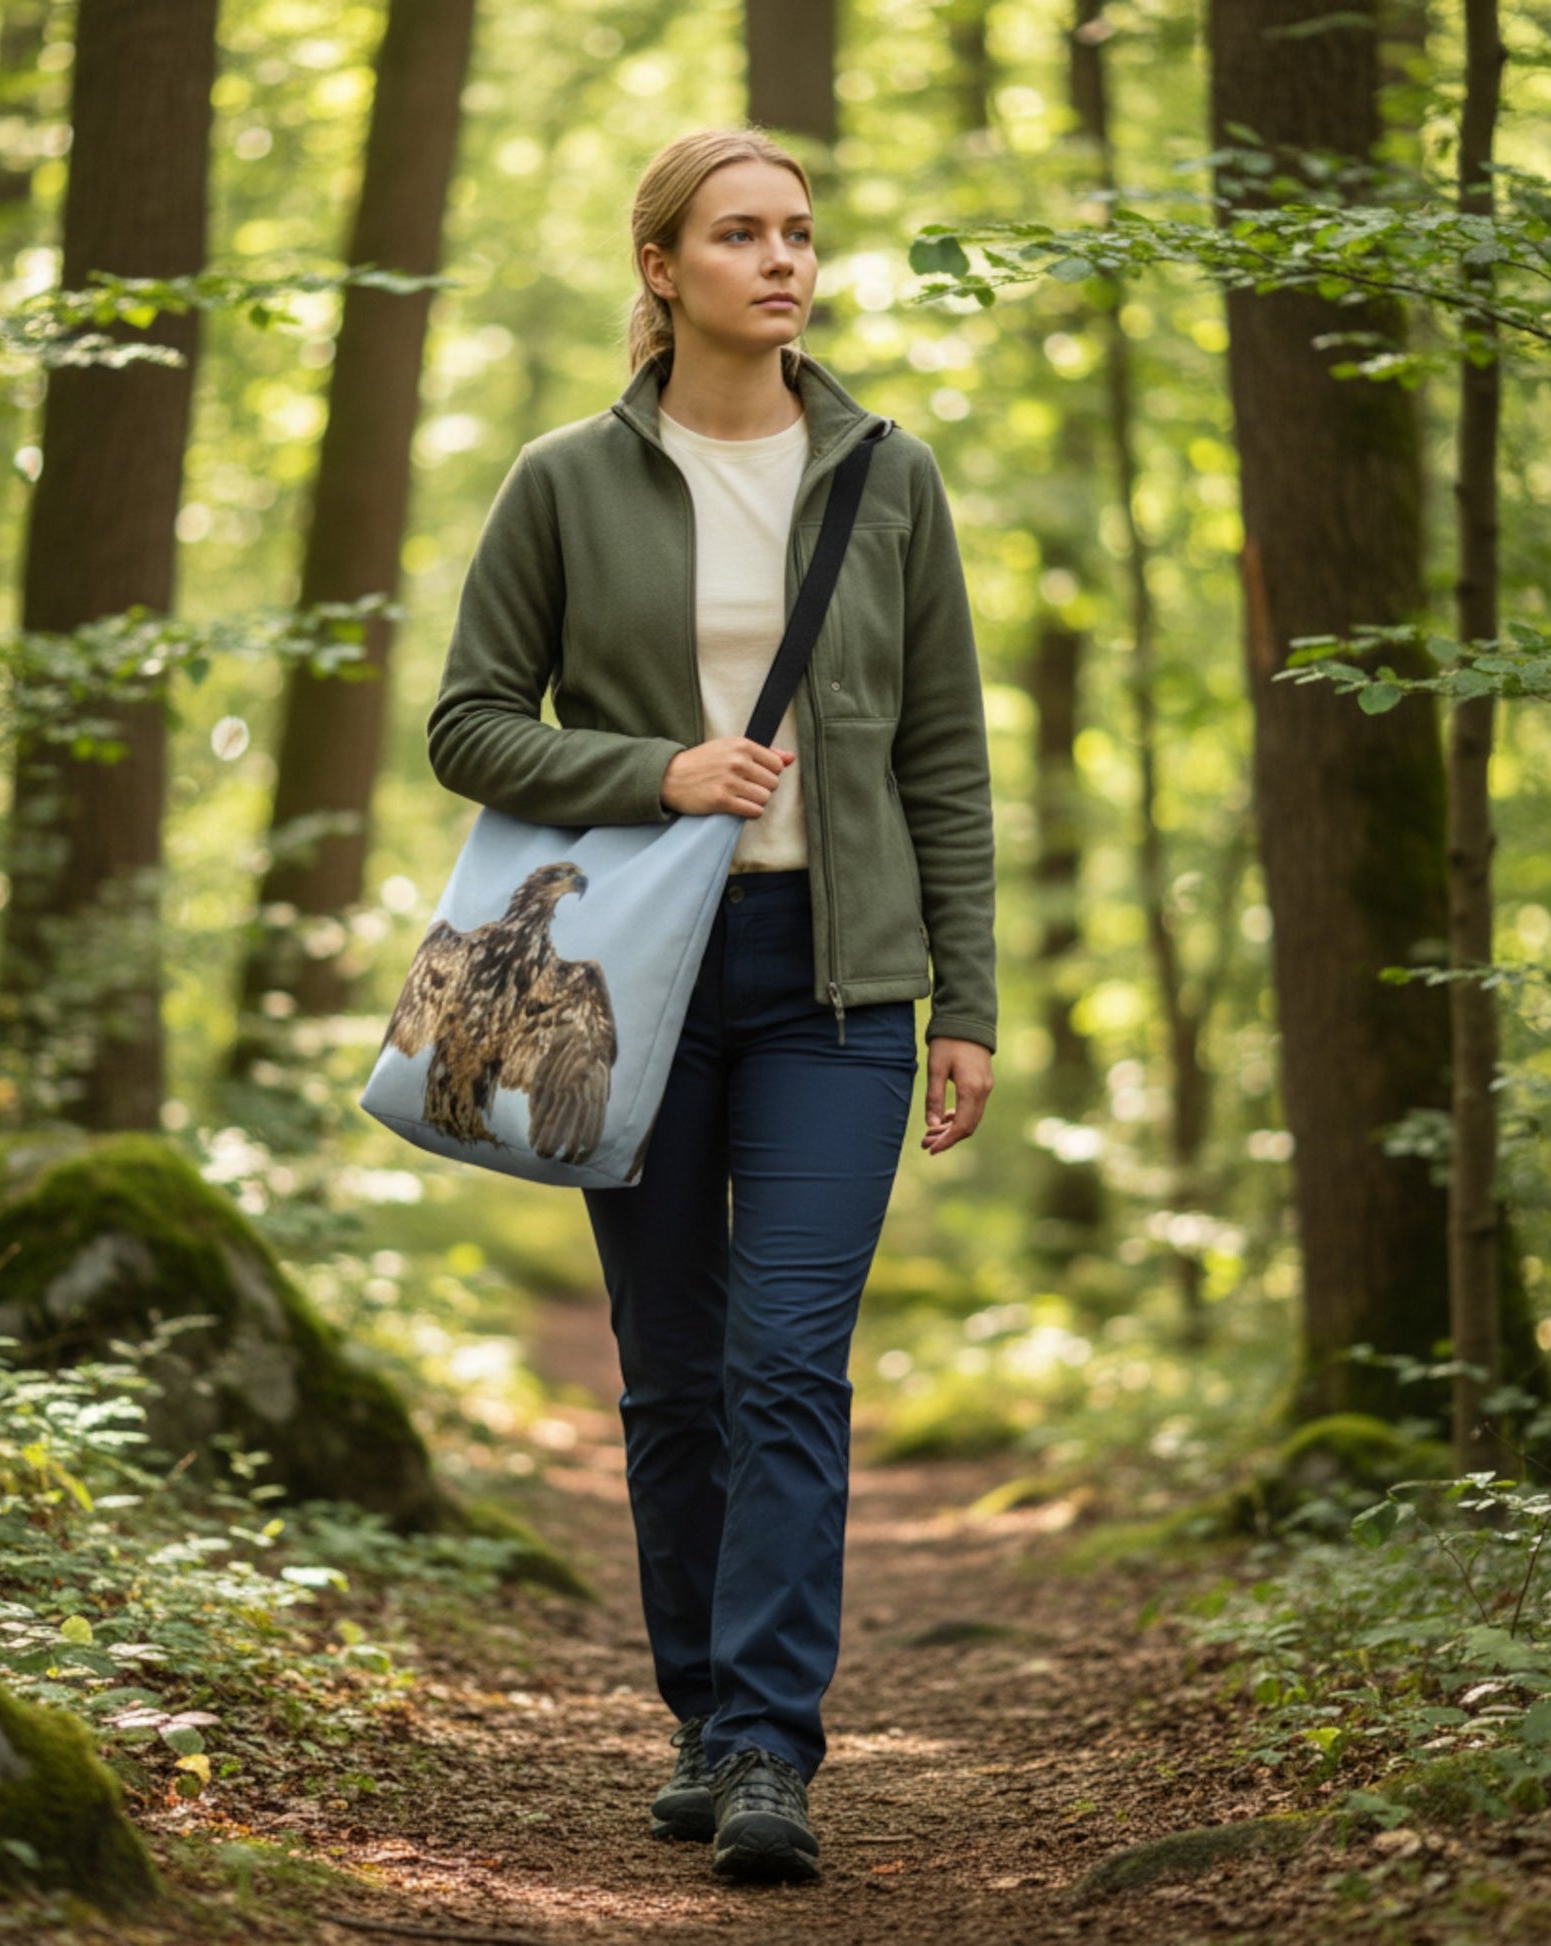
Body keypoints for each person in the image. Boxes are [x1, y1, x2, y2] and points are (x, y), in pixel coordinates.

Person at [425, 126, 997, 1885]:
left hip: (840, 981)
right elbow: (465, 723)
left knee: (784, 1363)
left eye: (799, 233)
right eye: (739, 233)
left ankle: (763, 1746)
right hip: (621, 988)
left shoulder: (887, 477)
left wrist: (963, 994)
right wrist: (652, 767)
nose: (781, 259)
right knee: (671, 1378)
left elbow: (941, 757)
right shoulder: (561, 479)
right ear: (661, 269)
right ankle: (695, 1712)